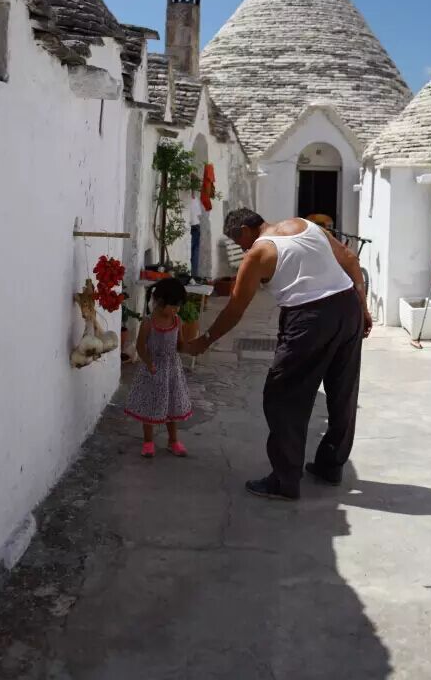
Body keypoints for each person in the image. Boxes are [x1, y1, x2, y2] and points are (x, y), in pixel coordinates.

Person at [184, 208, 372, 501]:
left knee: (283, 396)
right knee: (343, 390)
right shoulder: (305, 225)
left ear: (246, 230)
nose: (241, 247)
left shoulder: (258, 253)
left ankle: (284, 481)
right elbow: (349, 258)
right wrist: (362, 305)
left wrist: (205, 340)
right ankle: (330, 466)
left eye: (238, 240)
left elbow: (235, 308)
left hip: (308, 319)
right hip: (347, 306)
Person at [124, 278, 192, 458]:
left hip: (172, 370)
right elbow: (140, 347)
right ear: (160, 302)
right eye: (173, 306)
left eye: (178, 307)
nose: (176, 310)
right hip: (152, 370)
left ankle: (173, 441)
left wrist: (191, 347)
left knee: (172, 405)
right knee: (151, 405)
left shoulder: (177, 321)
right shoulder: (148, 323)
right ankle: (148, 442)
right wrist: (148, 362)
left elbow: (180, 344)